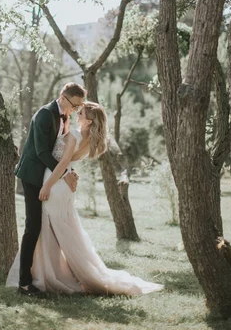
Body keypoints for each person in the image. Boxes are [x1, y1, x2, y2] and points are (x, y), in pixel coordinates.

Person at [8, 101, 164, 297]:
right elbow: (70, 163)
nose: (77, 114)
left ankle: (46, 276)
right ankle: (54, 273)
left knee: (48, 231)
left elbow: (63, 162)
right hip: (65, 185)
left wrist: (47, 185)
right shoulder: (90, 140)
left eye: (81, 113)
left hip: (54, 182)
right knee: (62, 231)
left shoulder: (74, 135)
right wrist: (69, 174)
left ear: (89, 121)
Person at [14, 82, 87, 296]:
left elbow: (59, 153)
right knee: (33, 227)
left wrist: (68, 171)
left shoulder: (63, 116)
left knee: (47, 227)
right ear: (64, 97)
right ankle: (24, 283)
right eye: (74, 105)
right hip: (32, 176)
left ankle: (51, 274)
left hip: (47, 176)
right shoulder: (45, 114)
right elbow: (41, 152)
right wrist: (64, 174)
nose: (75, 110)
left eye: (78, 107)